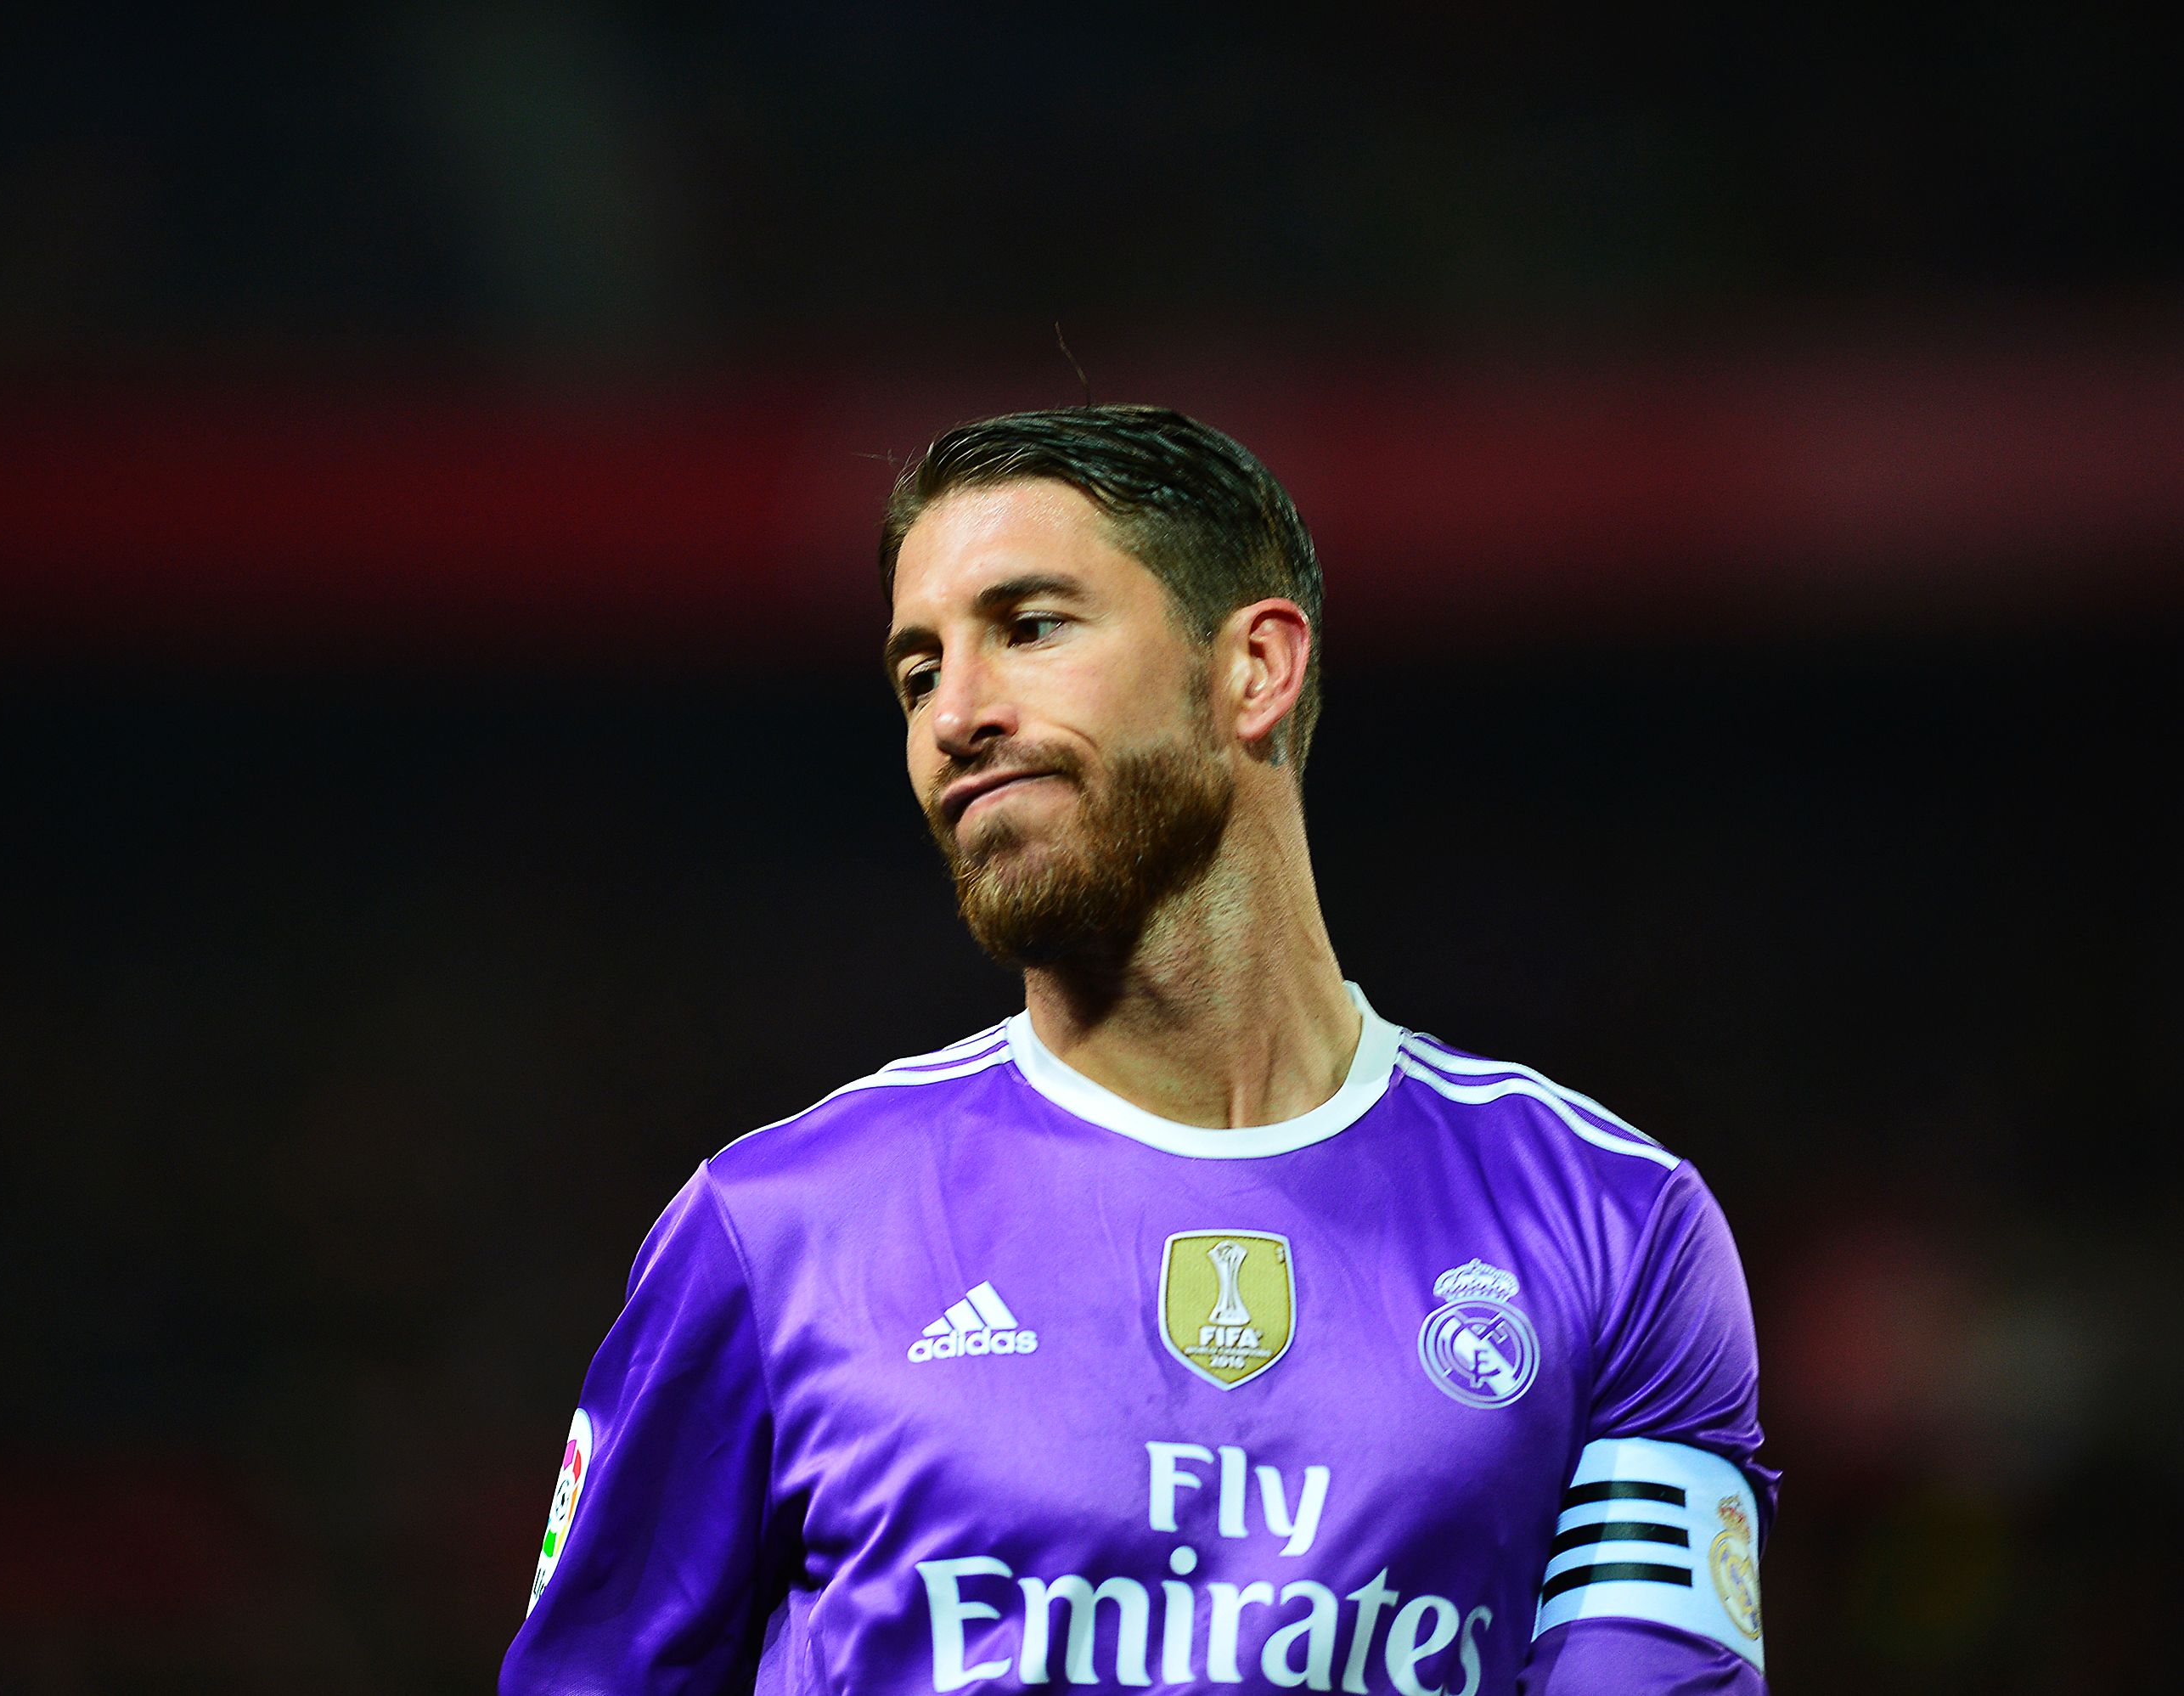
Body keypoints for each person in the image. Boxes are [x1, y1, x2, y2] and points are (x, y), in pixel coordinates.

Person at [500, 406, 1772, 1694]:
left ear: (1254, 670)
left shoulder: (1615, 1229)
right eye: (918, 672)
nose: (955, 716)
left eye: (1030, 627)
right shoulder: (773, 1235)